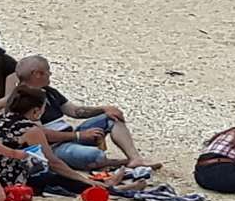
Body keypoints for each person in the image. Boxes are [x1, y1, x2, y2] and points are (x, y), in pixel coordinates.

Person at [10, 55, 158, 170]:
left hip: (69, 136)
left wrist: (103, 109)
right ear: (37, 74)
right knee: (94, 156)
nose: (50, 74)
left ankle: (134, 158)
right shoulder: (24, 99)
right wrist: (79, 135)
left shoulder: (49, 92)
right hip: (54, 147)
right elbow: (40, 134)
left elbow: (75, 111)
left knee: (112, 118)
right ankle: (114, 162)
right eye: (48, 71)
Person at [0, 86, 103, 192]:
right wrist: (83, 179)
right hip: (12, 178)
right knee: (73, 183)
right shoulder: (30, 130)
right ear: (36, 111)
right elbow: (53, 162)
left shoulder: (0, 119)